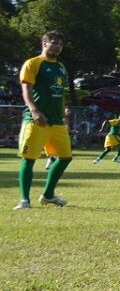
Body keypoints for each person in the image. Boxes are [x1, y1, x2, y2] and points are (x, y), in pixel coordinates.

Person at [14, 31, 73, 209]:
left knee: (65, 157)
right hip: (37, 119)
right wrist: (34, 110)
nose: (57, 47)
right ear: (44, 43)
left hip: (56, 121)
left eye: (60, 44)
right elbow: (26, 89)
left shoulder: (61, 68)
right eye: (54, 43)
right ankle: (24, 200)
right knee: (29, 158)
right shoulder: (33, 63)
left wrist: (64, 116)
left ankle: (48, 195)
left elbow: (60, 94)